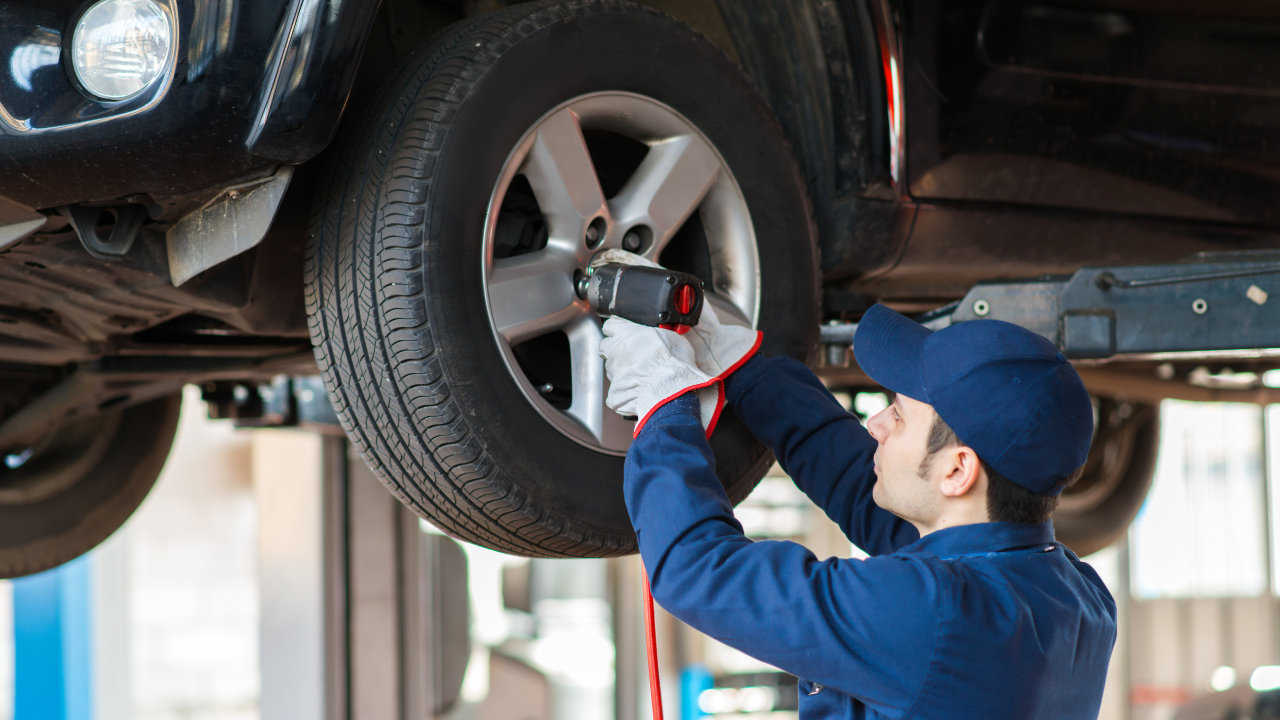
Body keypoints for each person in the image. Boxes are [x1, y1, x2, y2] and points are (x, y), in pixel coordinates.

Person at [600, 292, 1118, 720]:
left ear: (958, 471)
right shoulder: (1076, 597)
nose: (876, 424)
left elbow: (699, 570)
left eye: (897, 413)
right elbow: (859, 485)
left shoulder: (933, 615)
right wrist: (748, 371)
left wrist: (664, 404)